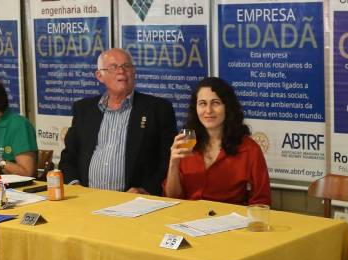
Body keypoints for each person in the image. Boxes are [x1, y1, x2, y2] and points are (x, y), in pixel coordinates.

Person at [58, 47, 177, 195]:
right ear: (99, 76)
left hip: (134, 201)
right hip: (87, 198)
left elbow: (168, 159)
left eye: (126, 66)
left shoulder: (157, 109)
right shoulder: (84, 109)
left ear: (133, 72)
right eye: (113, 67)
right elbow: (68, 157)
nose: (121, 71)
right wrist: (75, 185)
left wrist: (146, 189)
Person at [163, 77, 270, 206]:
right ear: (195, 108)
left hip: (229, 217)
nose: (208, 110)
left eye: (215, 103)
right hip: (188, 216)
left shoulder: (249, 149)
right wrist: (173, 164)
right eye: (202, 103)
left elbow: (261, 202)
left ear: (227, 107)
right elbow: (172, 197)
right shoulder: (186, 143)